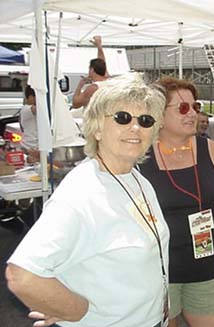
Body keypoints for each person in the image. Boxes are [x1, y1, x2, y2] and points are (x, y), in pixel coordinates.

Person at [5, 74, 169, 327]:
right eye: (122, 117)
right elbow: (22, 275)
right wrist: (75, 310)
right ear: (97, 128)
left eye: (146, 121)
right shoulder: (82, 194)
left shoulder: (136, 179)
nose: (135, 127)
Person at [139, 77, 214, 327]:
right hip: (158, 273)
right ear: (159, 115)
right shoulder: (141, 156)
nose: (193, 114)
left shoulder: (211, 149)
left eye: (195, 106)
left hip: (206, 268)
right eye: (183, 108)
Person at [72, 35, 108, 109]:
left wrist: (80, 85)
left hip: (94, 119)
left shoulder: (93, 88)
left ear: (92, 70)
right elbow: (102, 61)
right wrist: (99, 47)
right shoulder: (108, 80)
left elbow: (75, 104)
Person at [19, 84, 39, 161]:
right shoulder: (26, 109)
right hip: (30, 147)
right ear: (30, 97)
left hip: (34, 147)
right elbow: (36, 109)